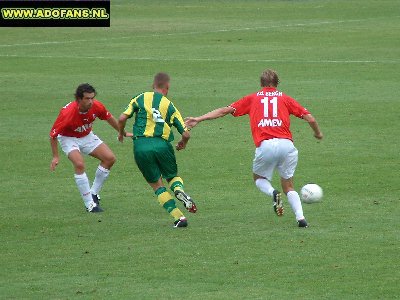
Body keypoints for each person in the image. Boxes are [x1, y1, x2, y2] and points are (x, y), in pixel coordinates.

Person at [185, 69, 323, 228]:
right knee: (289, 186)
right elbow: (310, 118)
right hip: (287, 146)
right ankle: (301, 219)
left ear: (261, 84)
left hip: (266, 146)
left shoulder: (252, 98)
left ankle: (272, 193)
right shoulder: (285, 98)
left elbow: (225, 110)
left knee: (259, 179)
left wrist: (199, 119)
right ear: (277, 84)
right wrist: (318, 133)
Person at [118, 72, 197, 228]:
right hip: (163, 145)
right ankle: (178, 190)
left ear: (152, 86)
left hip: (141, 146)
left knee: (156, 185)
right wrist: (183, 143)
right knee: (172, 177)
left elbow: (121, 118)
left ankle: (178, 218)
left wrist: (121, 132)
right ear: (167, 88)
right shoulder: (169, 105)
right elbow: (186, 133)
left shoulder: (140, 98)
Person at [50, 83, 131, 212]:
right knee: (79, 164)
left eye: (92, 98)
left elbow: (109, 118)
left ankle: (93, 193)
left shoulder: (96, 106)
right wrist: (55, 156)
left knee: (109, 159)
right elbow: (53, 135)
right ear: (79, 99)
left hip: (86, 136)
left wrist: (123, 133)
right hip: (68, 138)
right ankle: (89, 205)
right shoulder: (68, 113)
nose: (91, 101)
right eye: (87, 98)